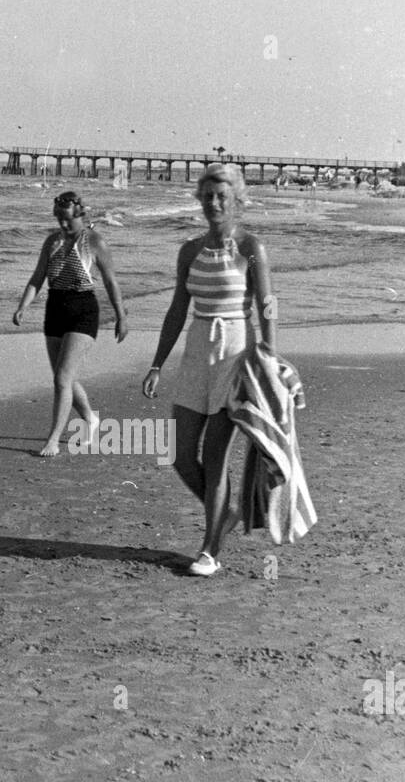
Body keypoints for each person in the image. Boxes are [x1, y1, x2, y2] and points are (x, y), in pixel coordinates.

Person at [142, 163, 275, 576]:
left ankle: (210, 549)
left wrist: (269, 360)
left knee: (216, 458)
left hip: (237, 352)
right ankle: (227, 514)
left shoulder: (251, 247)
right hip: (198, 349)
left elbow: (268, 308)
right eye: (208, 196)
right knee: (181, 456)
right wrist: (157, 363)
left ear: (237, 201)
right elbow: (177, 309)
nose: (214, 204)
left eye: (222, 197)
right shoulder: (189, 250)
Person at [14, 191, 128, 456]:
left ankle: (53, 439)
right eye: (58, 219)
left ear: (79, 215)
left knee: (63, 378)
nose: (62, 225)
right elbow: (37, 278)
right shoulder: (51, 242)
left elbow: (111, 283)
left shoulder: (95, 242)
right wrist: (23, 306)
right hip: (54, 310)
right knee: (63, 378)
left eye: (66, 219)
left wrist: (122, 317)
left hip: (83, 311)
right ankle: (90, 418)